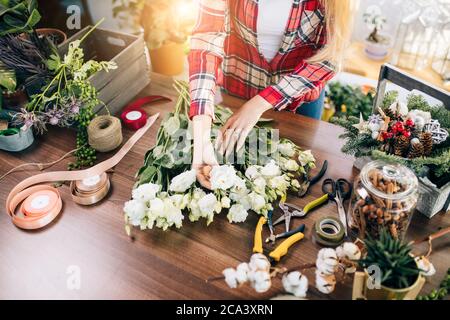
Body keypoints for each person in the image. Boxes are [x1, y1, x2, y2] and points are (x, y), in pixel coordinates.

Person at [189, 0, 356, 188]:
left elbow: (330, 56)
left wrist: (259, 103)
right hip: (238, 91)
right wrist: (202, 135)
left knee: (299, 177)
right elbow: (206, 41)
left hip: (299, 100)